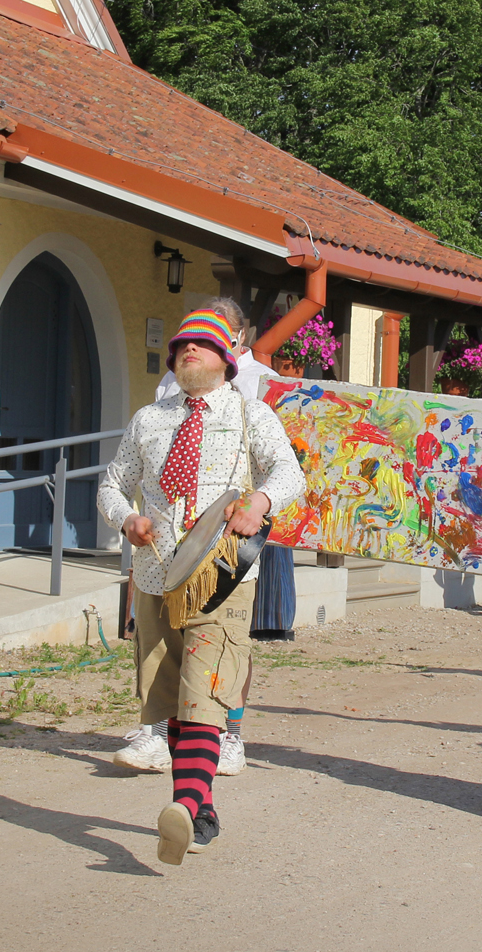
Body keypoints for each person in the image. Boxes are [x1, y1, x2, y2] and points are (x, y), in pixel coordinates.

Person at [97, 307, 306, 865]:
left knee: (206, 687)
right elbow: (111, 485)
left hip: (223, 576)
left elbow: (290, 474)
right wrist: (127, 520)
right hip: (155, 574)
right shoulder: (149, 419)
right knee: (170, 696)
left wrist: (259, 502)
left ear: (226, 361)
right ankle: (199, 808)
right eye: (182, 344)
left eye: (202, 345)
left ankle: (185, 806)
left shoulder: (251, 415)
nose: (188, 350)